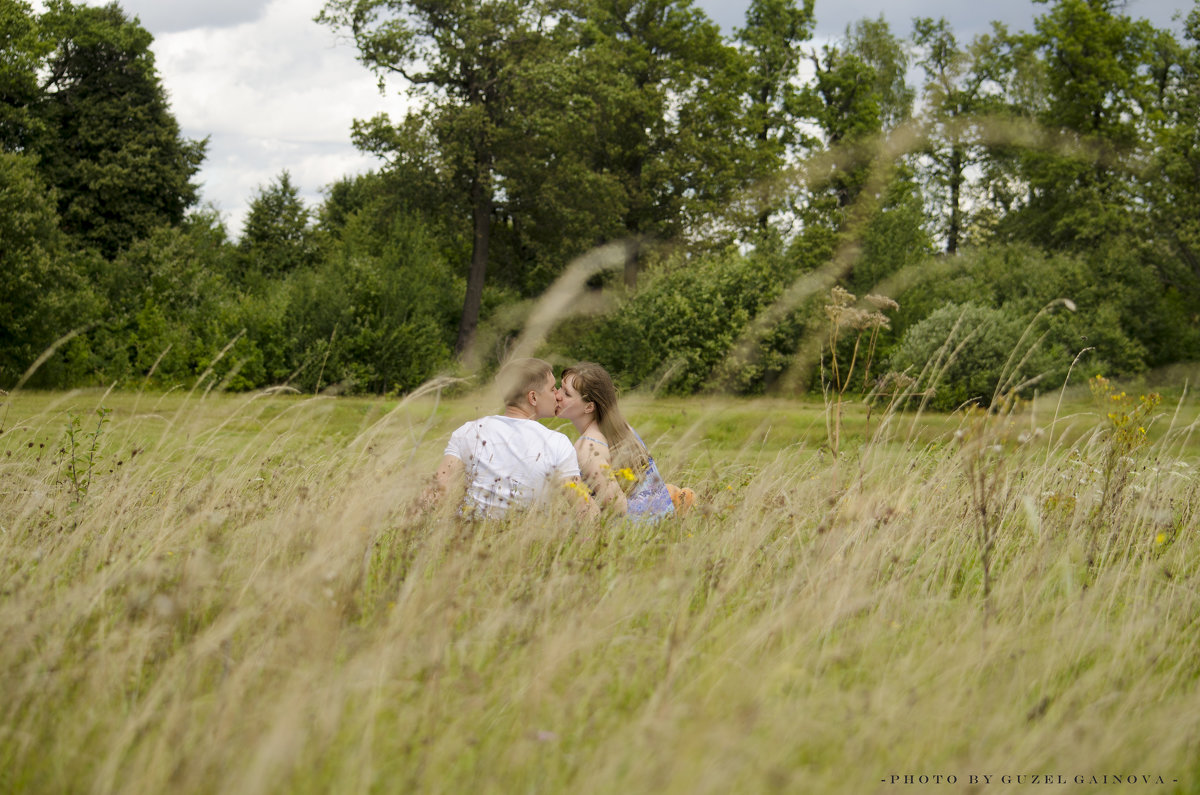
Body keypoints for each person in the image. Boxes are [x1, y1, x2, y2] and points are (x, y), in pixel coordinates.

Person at [430, 358, 584, 519]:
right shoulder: (557, 442)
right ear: (533, 398)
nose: (557, 395)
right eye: (552, 389)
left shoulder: (469, 431)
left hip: (466, 536)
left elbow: (436, 493)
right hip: (526, 540)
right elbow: (583, 508)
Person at [555, 361, 694, 520]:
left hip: (640, 534)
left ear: (589, 407)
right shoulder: (621, 427)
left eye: (566, 393)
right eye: (560, 387)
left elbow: (618, 507)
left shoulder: (588, 447)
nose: (557, 395)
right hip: (664, 522)